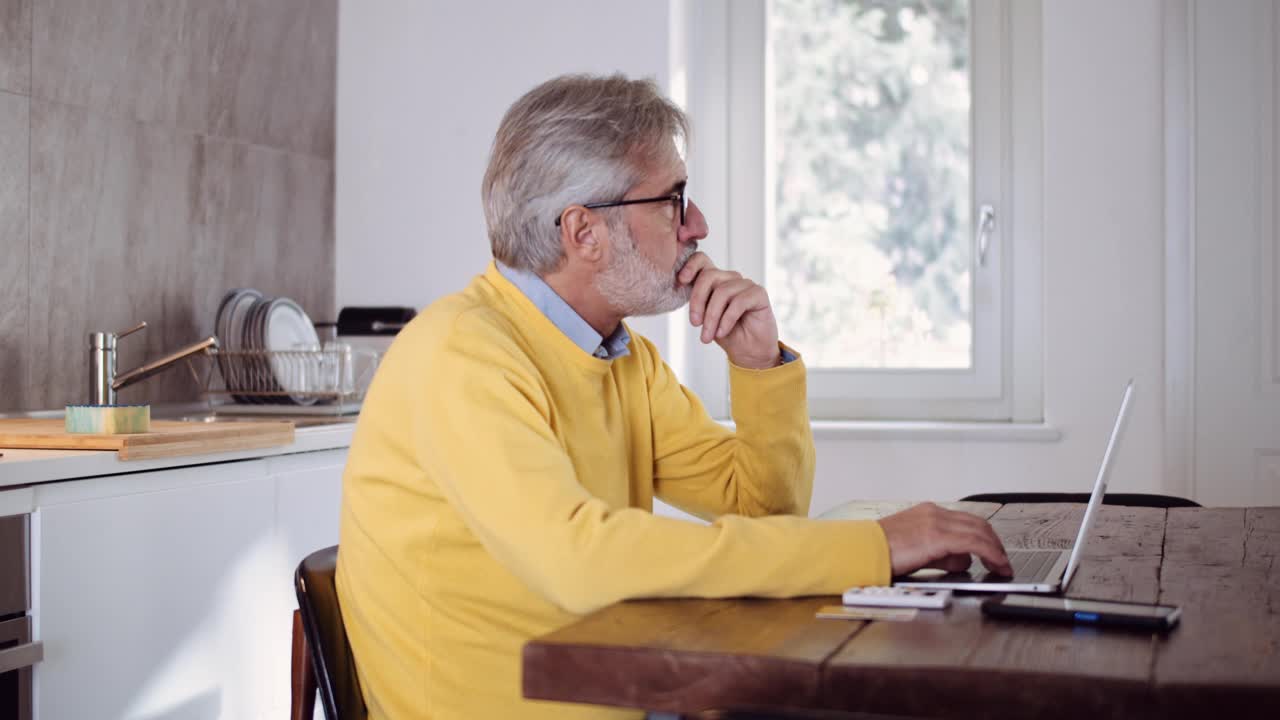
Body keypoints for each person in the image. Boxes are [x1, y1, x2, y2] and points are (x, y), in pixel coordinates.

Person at [335, 73, 1012, 720]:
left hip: (623, 698)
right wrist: (873, 547)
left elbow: (764, 510)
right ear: (583, 233)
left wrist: (758, 368)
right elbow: (581, 561)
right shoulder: (460, 354)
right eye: (674, 200)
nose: (699, 226)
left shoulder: (619, 355)